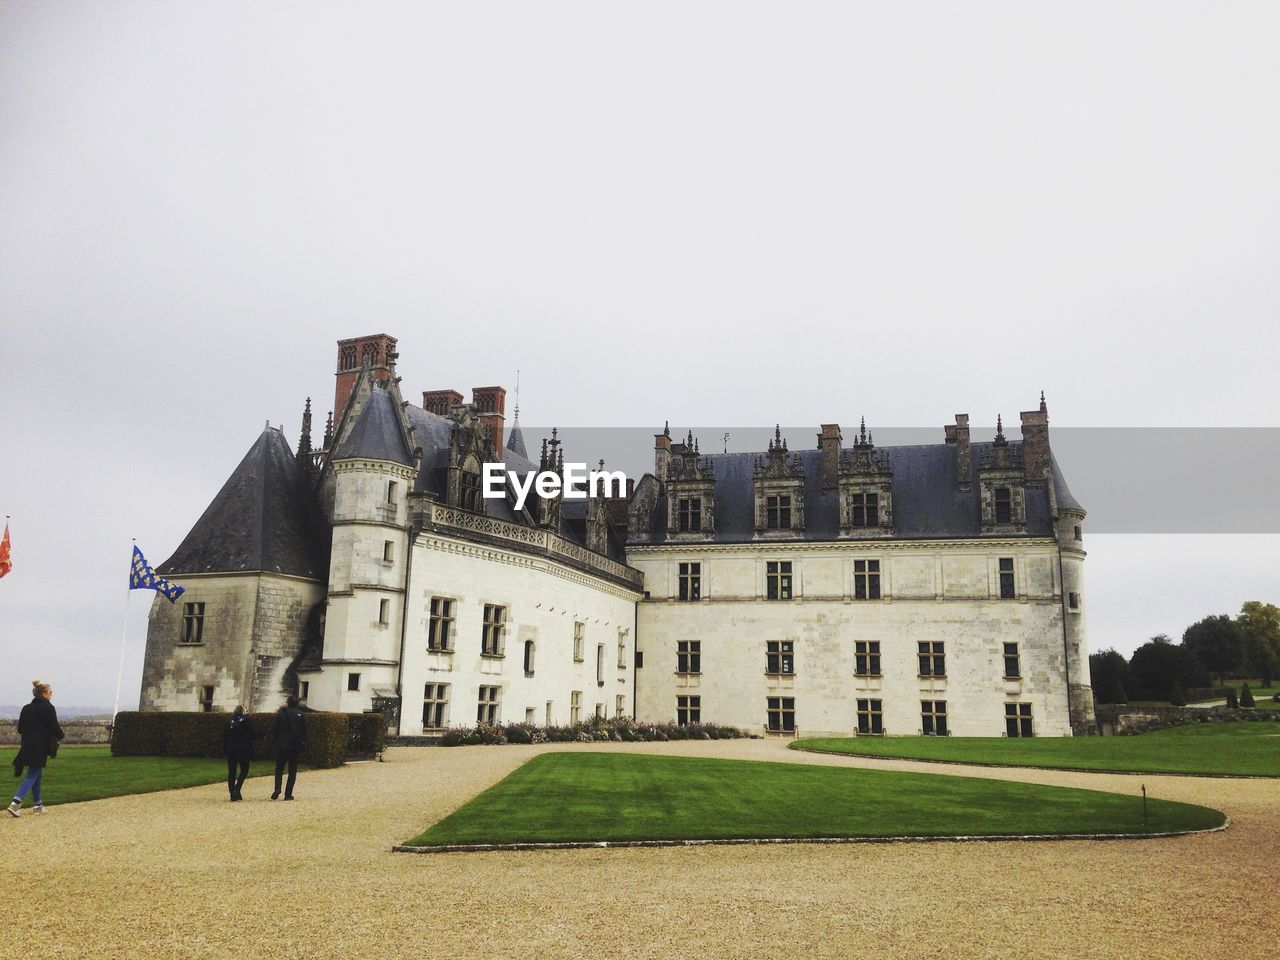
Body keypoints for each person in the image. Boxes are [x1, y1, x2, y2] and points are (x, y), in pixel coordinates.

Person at [8, 680, 65, 817]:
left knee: (37, 773)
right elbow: (54, 727)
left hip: (27, 745)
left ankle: (38, 805)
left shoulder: (26, 708)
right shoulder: (49, 708)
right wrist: (60, 736)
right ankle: (16, 803)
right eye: (50, 692)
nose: (51, 694)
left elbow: (20, 729)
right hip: (41, 746)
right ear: (44, 694)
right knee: (33, 774)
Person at [271, 695, 307, 800]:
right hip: (294, 746)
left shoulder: (281, 714)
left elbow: (274, 729)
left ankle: (277, 788)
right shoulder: (301, 715)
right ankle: (288, 794)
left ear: (287, 702)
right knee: (292, 771)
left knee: (279, 769)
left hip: (282, 745)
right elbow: (304, 732)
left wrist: (276, 740)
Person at [222, 705, 255, 802]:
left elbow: (225, 736)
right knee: (244, 769)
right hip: (243, 749)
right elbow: (251, 734)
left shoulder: (230, 721)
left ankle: (232, 792)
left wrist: (225, 750)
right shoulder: (247, 720)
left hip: (231, 750)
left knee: (232, 771)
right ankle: (237, 788)